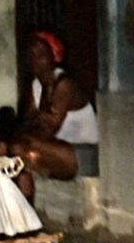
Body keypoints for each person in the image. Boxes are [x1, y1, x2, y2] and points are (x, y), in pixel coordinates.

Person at [9, 30, 99, 205]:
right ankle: (26, 210)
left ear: (54, 56)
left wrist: (24, 134)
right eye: (32, 55)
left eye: (42, 54)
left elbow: (47, 130)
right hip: (57, 150)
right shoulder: (36, 86)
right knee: (17, 151)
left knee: (17, 146)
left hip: (83, 154)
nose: (36, 60)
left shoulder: (64, 85)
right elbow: (27, 123)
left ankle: (26, 208)